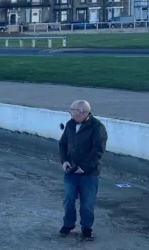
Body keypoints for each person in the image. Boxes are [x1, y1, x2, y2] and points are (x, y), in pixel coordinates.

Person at [58, 100, 108, 241]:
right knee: (68, 200)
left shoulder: (97, 127)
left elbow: (98, 150)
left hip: (89, 173)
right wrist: (64, 161)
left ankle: (87, 228)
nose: (77, 113)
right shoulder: (70, 124)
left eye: (82, 111)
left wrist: (84, 167)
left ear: (86, 112)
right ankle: (68, 224)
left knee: (87, 203)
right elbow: (63, 144)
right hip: (71, 171)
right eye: (74, 110)